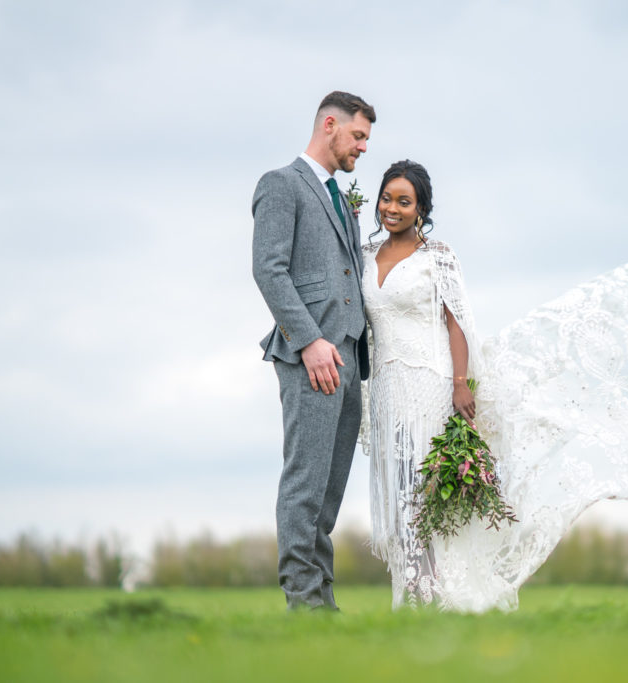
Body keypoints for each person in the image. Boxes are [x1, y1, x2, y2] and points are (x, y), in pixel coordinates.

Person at [361, 160, 628, 612]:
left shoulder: (436, 256)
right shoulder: (365, 255)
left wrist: (461, 383)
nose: (392, 208)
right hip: (386, 392)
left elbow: (457, 324)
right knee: (398, 502)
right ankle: (409, 597)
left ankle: (435, 599)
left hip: (431, 387)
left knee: (425, 499)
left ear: (421, 209)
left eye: (404, 201)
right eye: (386, 198)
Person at [252, 91, 375, 611]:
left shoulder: (339, 197)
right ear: (330, 125)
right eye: (358, 136)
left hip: (350, 359)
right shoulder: (282, 184)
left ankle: (324, 602)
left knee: (328, 494)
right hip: (311, 360)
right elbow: (268, 269)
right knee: (305, 484)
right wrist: (309, 342)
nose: (363, 148)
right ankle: (304, 606)